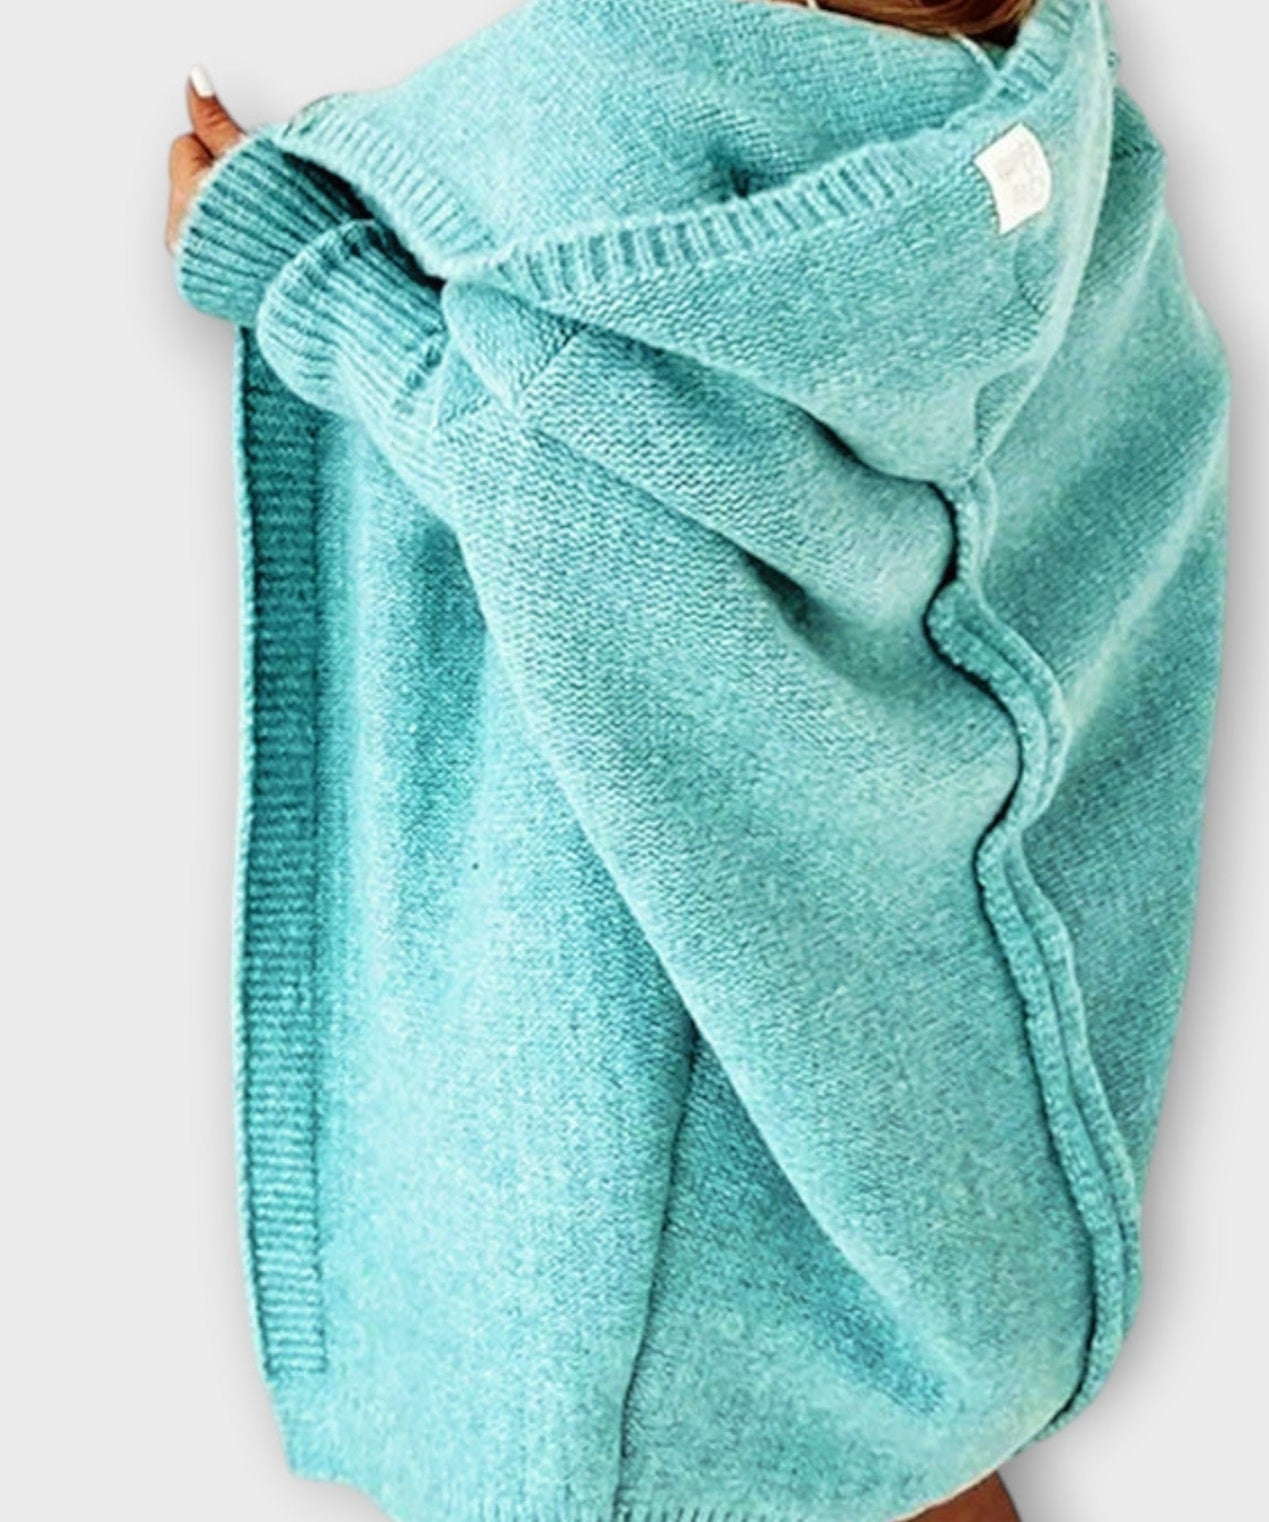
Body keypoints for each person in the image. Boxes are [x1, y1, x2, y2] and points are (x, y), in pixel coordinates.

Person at [165, 5, 1228, 1522]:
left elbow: (584, 504)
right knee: (909, 1462)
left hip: (639, 1164)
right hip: (929, 1135)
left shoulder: (604, 111)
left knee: (684, 1453)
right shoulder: (1070, 162)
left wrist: (305, 276)